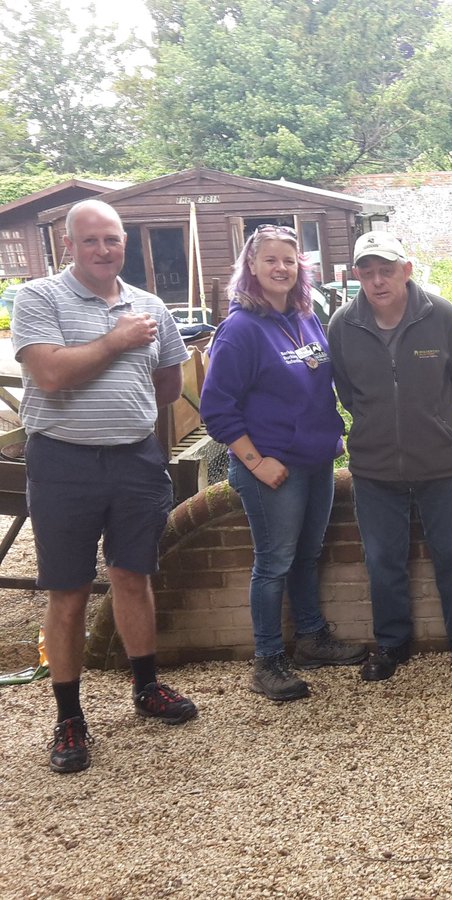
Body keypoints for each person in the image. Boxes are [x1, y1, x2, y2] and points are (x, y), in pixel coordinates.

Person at [12, 199, 197, 773]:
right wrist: (115, 343)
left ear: (123, 243)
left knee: (132, 575)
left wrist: (128, 379)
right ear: (69, 245)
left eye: (111, 240)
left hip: (136, 460)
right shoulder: (39, 297)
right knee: (67, 591)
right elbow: (47, 373)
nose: (102, 249)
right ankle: (69, 717)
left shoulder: (149, 305)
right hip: (64, 462)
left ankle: (146, 687)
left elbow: (170, 381)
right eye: (90, 240)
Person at [200, 224, 367, 702]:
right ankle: (268, 660)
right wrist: (256, 463)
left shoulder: (305, 318)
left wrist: (329, 434)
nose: (280, 268)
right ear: (251, 267)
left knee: (307, 556)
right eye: (270, 260)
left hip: (314, 463)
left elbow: (319, 384)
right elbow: (216, 409)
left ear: (300, 270)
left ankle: (312, 638)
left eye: (289, 261)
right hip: (271, 470)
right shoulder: (240, 330)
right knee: (273, 563)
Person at [327, 232, 452, 680]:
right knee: (382, 560)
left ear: (407, 270)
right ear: (356, 275)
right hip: (375, 468)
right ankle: (392, 644)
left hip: (439, 463)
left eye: (387, 270)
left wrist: (434, 424)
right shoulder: (343, 325)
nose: (378, 280)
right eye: (368, 271)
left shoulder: (441, 314)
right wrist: (380, 427)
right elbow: (347, 392)